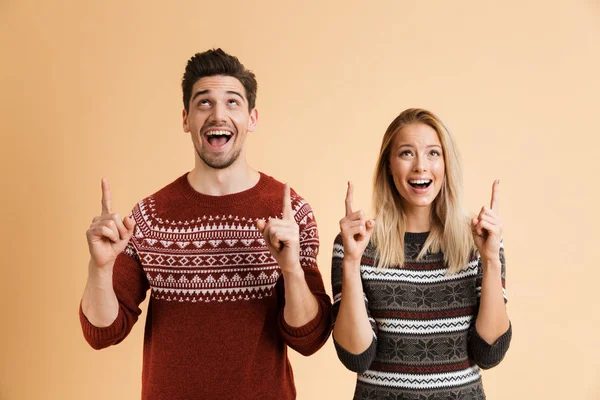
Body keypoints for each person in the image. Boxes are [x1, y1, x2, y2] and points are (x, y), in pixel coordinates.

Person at [79, 48, 332, 400]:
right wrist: (100, 268)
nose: (218, 114)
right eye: (204, 103)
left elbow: (310, 338)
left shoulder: (290, 213)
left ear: (252, 118)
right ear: (186, 119)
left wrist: (290, 271)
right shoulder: (149, 217)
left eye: (232, 102)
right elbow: (102, 332)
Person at [331, 108, 511, 399]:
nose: (420, 167)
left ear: (446, 164)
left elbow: (489, 352)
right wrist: (351, 263)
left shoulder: (479, 240)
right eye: (406, 153)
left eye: (432, 154)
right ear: (389, 165)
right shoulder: (357, 243)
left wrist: (490, 260)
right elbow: (356, 357)